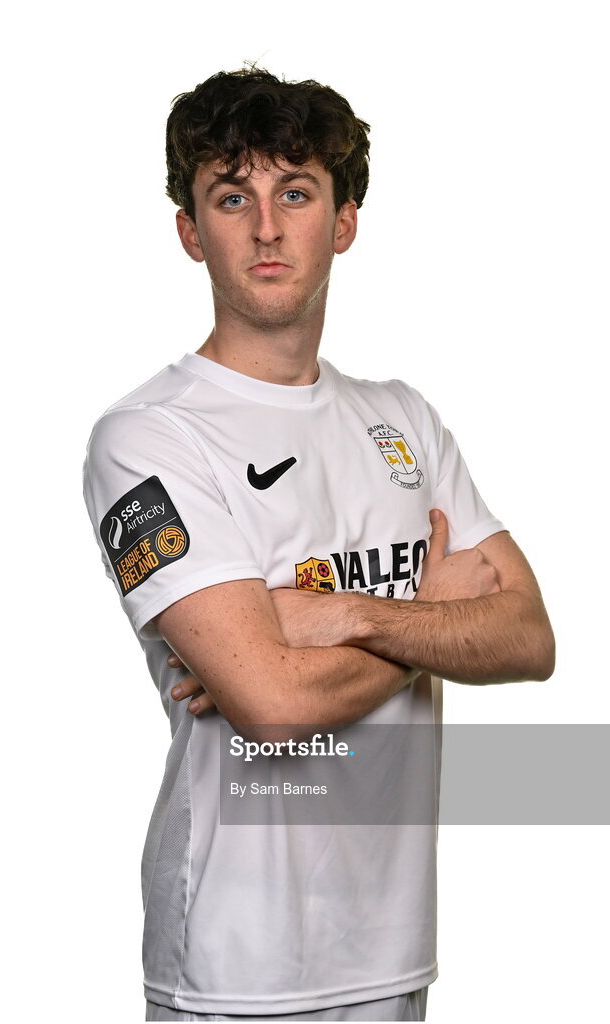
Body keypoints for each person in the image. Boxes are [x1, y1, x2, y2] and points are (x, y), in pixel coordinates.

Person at [82, 67, 555, 1023]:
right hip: (235, 962)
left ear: (341, 222)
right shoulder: (147, 438)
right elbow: (271, 703)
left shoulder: (402, 421)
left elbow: (530, 640)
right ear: (190, 232)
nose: (265, 228)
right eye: (231, 197)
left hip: (391, 952)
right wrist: (430, 611)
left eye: (294, 192)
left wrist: (337, 613)